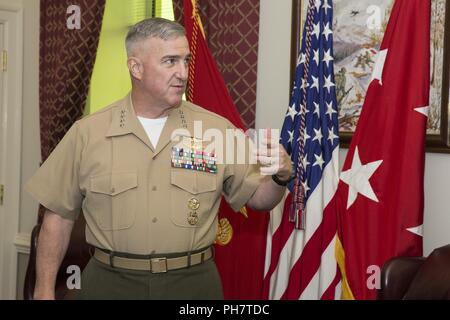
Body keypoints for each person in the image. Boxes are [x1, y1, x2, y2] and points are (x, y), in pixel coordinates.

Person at [26, 17, 293, 300]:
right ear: (136, 67)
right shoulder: (87, 134)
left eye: (185, 61)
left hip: (192, 284)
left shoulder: (216, 129)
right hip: (110, 284)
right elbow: (57, 218)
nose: (182, 72)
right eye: (170, 61)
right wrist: (44, 290)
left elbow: (259, 199)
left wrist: (280, 176)